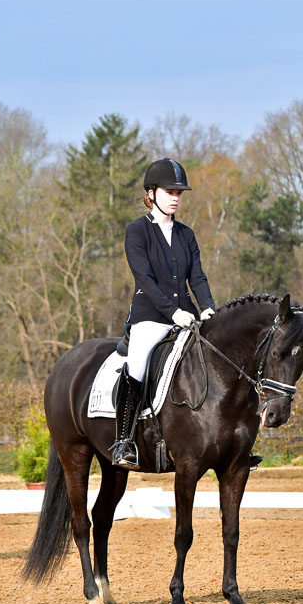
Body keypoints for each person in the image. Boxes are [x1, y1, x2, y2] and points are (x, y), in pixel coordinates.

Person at [111, 158, 215, 469]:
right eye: (170, 191)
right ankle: (124, 441)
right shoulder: (137, 231)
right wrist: (173, 312)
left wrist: (208, 307)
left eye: (180, 193)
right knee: (139, 364)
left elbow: (197, 276)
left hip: (188, 317)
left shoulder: (186, 234)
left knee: (217, 360)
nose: (176, 197)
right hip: (150, 317)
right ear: (151, 193)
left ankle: (229, 440)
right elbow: (145, 279)